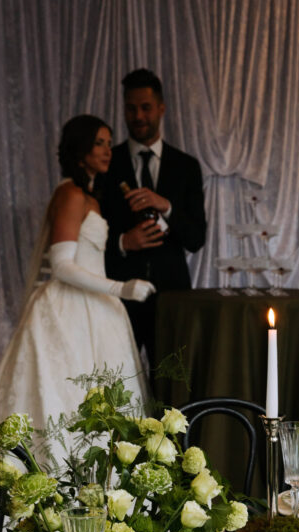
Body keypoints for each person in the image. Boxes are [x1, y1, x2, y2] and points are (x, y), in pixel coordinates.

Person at [0, 115, 153, 456]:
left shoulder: (89, 195)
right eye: (99, 143)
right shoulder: (71, 194)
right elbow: (61, 266)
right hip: (68, 309)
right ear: (79, 151)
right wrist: (121, 288)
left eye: (108, 142)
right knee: (66, 394)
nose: (108, 150)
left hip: (98, 310)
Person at [102, 68, 206, 364]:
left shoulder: (186, 167)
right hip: (118, 296)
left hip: (172, 297)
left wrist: (168, 206)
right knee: (115, 387)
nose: (138, 116)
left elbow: (196, 239)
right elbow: (88, 236)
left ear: (161, 108)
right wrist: (123, 242)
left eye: (146, 107)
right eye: (131, 108)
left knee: (172, 393)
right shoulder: (108, 164)